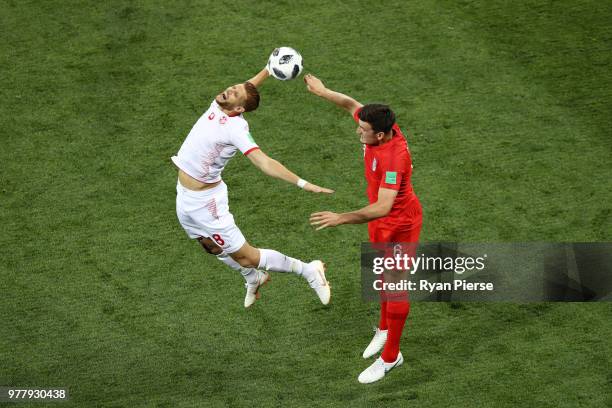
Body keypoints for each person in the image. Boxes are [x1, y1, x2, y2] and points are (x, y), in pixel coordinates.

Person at [172, 66, 332, 308]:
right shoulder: (218, 105)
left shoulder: (236, 128)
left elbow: (264, 162)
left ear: (239, 109)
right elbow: (248, 87)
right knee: (209, 245)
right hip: (184, 195)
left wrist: (302, 183)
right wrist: (268, 69)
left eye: (234, 93)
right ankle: (253, 277)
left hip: (207, 203)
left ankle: (309, 270)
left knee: (248, 257)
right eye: (231, 87)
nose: (228, 90)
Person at [305, 74, 422, 384]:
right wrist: (322, 91)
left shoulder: (394, 159)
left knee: (395, 288)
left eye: (364, 130)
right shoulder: (376, 126)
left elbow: (385, 206)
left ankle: (391, 357)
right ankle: (384, 330)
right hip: (380, 221)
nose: (358, 129)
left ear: (381, 135)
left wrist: (341, 217)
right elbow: (350, 104)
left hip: (399, 224)